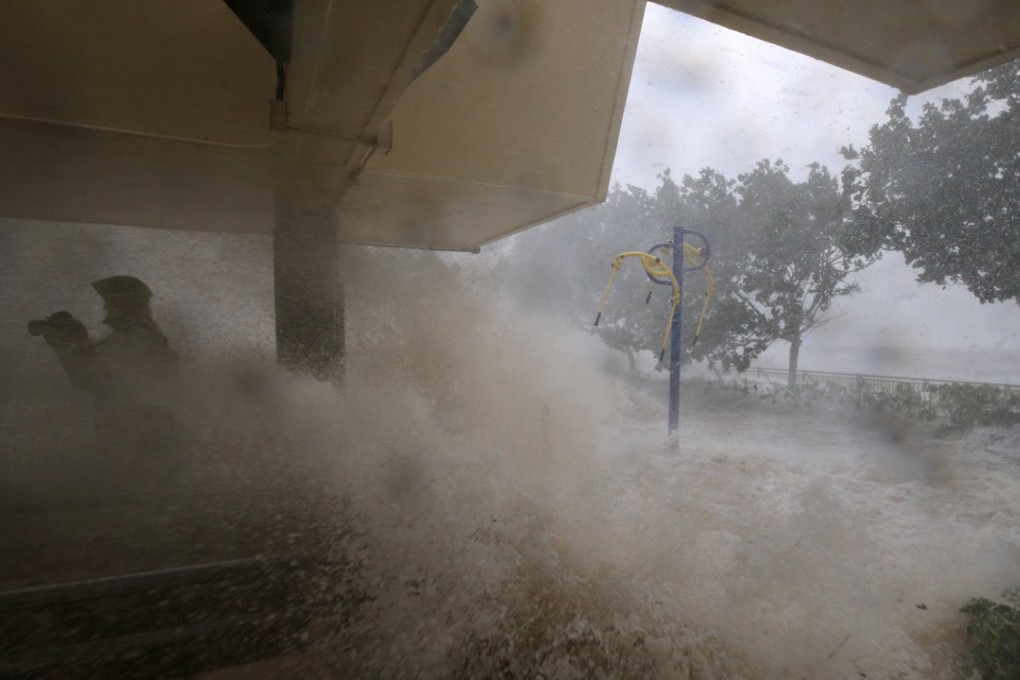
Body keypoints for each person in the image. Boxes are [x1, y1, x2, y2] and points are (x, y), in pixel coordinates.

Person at [29, 276, 181, 473]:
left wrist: (67, 340)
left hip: (135, 442)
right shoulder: (136, 335)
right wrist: (73, 339)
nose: (107, 310)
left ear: (125, 305)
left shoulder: (137, 338)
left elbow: (89, 378)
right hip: (136, 438)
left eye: (110, 304)